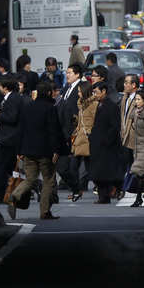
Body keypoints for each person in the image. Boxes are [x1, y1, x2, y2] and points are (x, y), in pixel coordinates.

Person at [7, 81, 63, 220]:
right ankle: (44, 211)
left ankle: (15, 195)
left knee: (30, 179)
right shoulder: (50, 108)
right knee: (48, 180)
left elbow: (21, 130)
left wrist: (19, 150)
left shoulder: (28, 107)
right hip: (45, 150)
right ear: (49, 93)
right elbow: (53, 131)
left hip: (28, 150)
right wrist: (56, 149)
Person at [0, 76, 23, 204]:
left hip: (9, 138)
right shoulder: (9, 98)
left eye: (0, 86)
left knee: (1, 167)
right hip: (8, 137)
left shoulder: (13, 99)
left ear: (5, 87)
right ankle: (29, 187)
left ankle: (0, 194)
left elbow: (12, 117)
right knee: (9, 167)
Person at [89, 82, 122, 204]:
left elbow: (115, 126)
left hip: (107, 145)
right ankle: (103, 196)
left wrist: (106, 140)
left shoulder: (111, 106)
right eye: (94, 93)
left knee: (105, 173)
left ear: (104, 92)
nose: (95, 95)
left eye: (96, 92)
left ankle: (107, 194)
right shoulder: (98, 105)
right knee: (98, 173)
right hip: (97, 144)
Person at [57, 64, 83, 193]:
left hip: (74, 129)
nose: (67, 75)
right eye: (66, 73)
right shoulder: (67, 87)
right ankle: (74, 185)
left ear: (77, 74)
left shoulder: (80, 88)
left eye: (70, 73)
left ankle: (76, 185)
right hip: (64, 129)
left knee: (72, 161)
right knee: (64, 163)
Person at [69, 81, 97, 201]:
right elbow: (81, 121)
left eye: (80, 91)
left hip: (88, 138)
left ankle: (107, 187)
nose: (78, 93)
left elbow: (95, 120)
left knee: (91, 168)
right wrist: (75, 120)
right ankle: (76, 190)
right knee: (73, 167)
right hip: (80, 138)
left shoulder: (93, 104)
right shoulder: (81, 104)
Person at [119, 74, 139, 185]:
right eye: (125, 82)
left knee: (134, 163)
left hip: (133, 136)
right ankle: (126, 185)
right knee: (127, 162)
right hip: (124, 136)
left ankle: (132, 185)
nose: (125, 85)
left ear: (134, 85)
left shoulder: (138, 98)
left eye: (127, 82)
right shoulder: (125, 98)